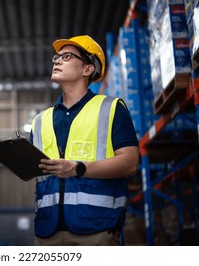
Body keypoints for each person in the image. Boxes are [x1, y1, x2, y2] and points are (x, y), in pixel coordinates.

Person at [30, 35, 139, 246]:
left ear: (87, 69)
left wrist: (77, 168)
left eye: (67, 56)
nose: (58, 61)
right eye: (57, 57)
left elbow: (130, 163)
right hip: (46, 231)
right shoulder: (39, 121)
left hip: (95, 228)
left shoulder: (111, 108)